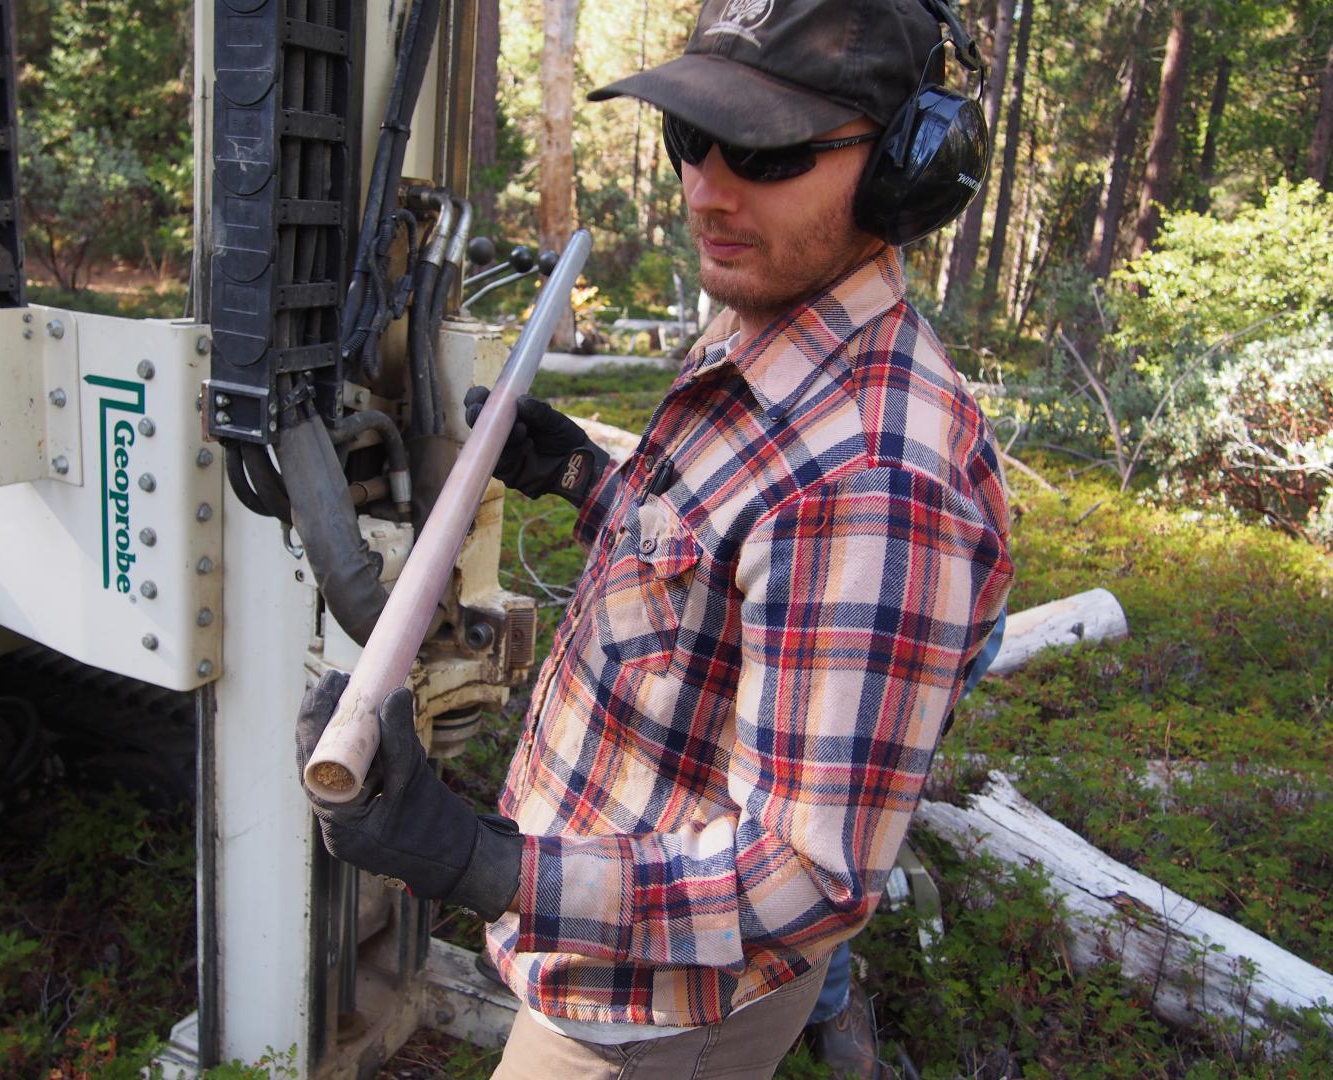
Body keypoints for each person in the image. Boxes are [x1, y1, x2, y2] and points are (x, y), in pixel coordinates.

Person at [295, 0, 1014, 1076]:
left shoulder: (874, 484)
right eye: (692, 138)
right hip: (610, 947)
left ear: (907, 170)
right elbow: (718, 571)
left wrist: (482, 864)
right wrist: (580, 473)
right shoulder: (769, 319)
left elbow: (807, 877)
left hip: (655, 1015)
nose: (710, 190)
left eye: (767, 153)